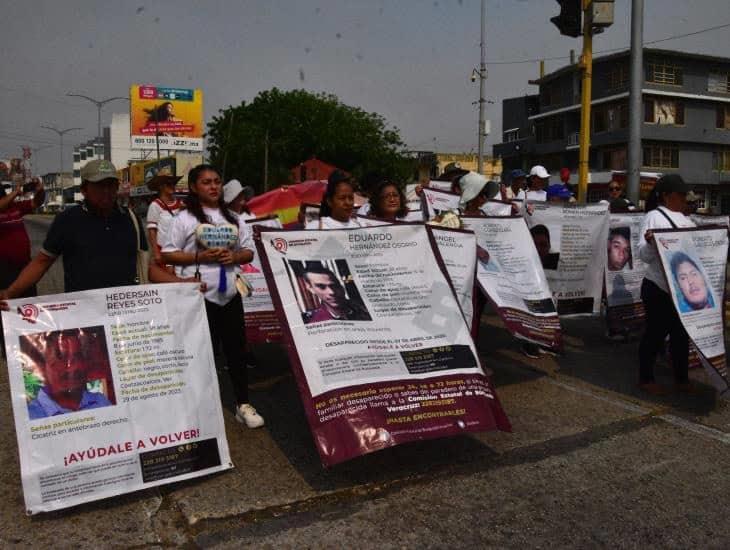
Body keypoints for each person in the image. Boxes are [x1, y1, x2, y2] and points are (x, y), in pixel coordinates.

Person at [162, 164, 264, 428]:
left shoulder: (233, 218)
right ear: (195, 187)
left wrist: (234, 256)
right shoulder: (183, 220)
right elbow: (167, 254)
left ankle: (243, 404)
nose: (213, 187)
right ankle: (197, 409)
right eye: (206, 182)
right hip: (198, 299)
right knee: (198, 353)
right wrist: (199, 256)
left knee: (236, 351)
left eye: (217, 181)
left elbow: (249, 252)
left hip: (230, 295)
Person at [0, 160, 150, 301]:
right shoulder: (67, 220)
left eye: (111, 185)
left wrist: (174, 286)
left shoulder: (131, 218)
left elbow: (146, 265)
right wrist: (9, 293)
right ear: (84, 190)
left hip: (126, 311)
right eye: (99, 185)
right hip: (83, 314)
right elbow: (41, 262)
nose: (106, 191)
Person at [637, 174, 695, 395]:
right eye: (681, 195)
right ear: (667, 196)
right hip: (658, 288)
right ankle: (645, 377)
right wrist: (652, 243)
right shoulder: (654, 216)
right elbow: (643, 255)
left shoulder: (686, 220)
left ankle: (682, 378)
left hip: (681, 290)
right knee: (655, 333)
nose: (684, 199)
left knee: (681, 335)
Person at [27, 329, 112, 419]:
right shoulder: (30, 415)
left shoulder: (100, 402)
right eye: (61, 358)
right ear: (41, 366)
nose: (73, 367)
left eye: (77, 356)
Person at [0, 177, 45, 297]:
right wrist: (16, 192)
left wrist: (40, 191)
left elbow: (36, 203)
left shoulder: (14, 206)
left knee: (29, 303)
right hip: (4, 269)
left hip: (24, 266)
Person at [301, 264, 371, 324]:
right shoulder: (316, 322)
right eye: (321, 287)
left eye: (334, 286)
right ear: (310, 288)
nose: (332, 292)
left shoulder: (364, 308)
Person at [145, 174, 185, 268]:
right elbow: (152, 231)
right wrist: (156, 253)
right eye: (168, 184)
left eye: (173, 183)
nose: (172, 186)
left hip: (180, 250)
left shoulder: (181, 204)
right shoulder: (155, 205)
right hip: (163, 251)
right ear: (161, 187)